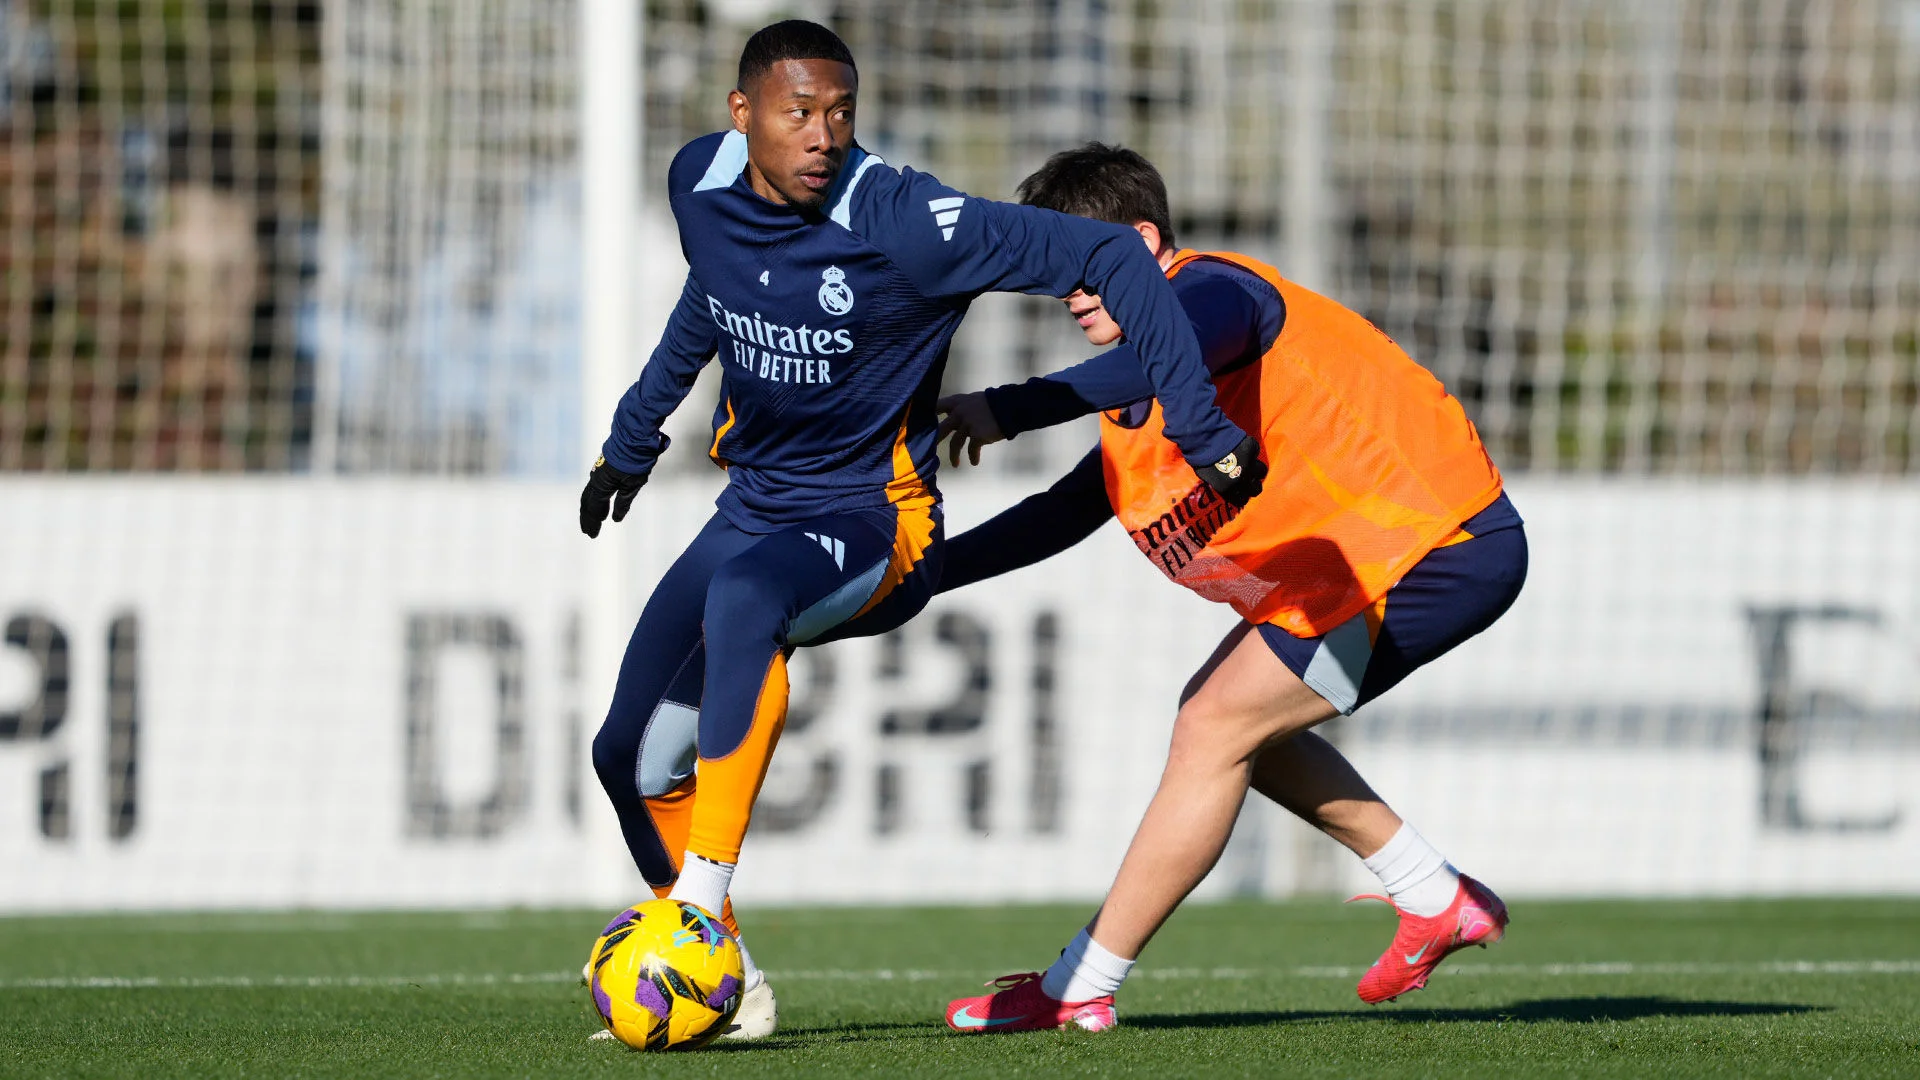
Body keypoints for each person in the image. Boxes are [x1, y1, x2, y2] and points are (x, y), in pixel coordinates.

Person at [577, 27, 1265, 1040]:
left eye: (839, 113)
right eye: (797, 113)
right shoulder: (698, 184)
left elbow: (1115, 252)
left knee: (743, 601)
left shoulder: (911, 221)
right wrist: (631, 442)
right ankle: (732, 989)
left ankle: (696, 914)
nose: (822, 135)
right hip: (753, 508)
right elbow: (709, 305)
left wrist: (1201, 428)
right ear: (741, 116)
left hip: (874, 522)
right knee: (628, 761)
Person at [933, 143, 1527, 1033]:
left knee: (1211, 726)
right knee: (1238, 725)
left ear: (1142, 241)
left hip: (1431, 543)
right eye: (1054, 272)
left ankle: (1078, 985)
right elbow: (1060, 514)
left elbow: (1174, 349)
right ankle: (1432, 893)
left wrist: (1013, 405)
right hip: (1374, 566)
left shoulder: (1212, 293)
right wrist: (923, 575)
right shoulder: (1134, 390)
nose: (1068, 290)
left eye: (1082, 263)